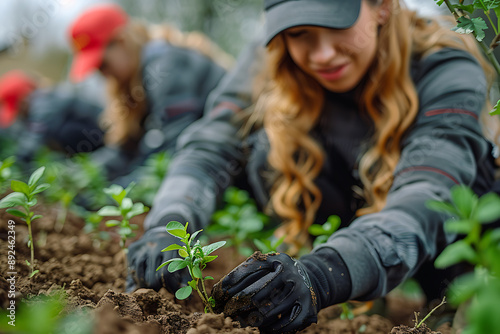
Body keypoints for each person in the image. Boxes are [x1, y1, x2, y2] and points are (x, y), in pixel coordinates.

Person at [127, 0, 499, 332]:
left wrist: (323, 274)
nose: (322, 55)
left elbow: (426, 194)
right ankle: (361, 295)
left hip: (444, 252)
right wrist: (169, 220)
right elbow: (212, 143)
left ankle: (449, 301)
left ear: (382, 7)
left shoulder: (445, 66)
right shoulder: (271, 54)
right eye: (301, 33)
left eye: (337, 26)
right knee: (263, 148)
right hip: (344, 232)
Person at [67, 4, 228, 185]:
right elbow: (126, 150)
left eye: (103, 64)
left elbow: (174, 144)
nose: (102, 74)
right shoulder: (134, 84)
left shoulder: (166, 67)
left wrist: (120, 190)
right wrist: (81, 175)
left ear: (121, 42)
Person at [0, 70, 104, 165]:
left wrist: (15, 163)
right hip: (87, 131)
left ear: (23, 100)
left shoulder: (43, 102)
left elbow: (35, 136)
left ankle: (95, 160)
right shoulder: (38, 103)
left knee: (65, 132)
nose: (19, 114)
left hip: (100, 131)